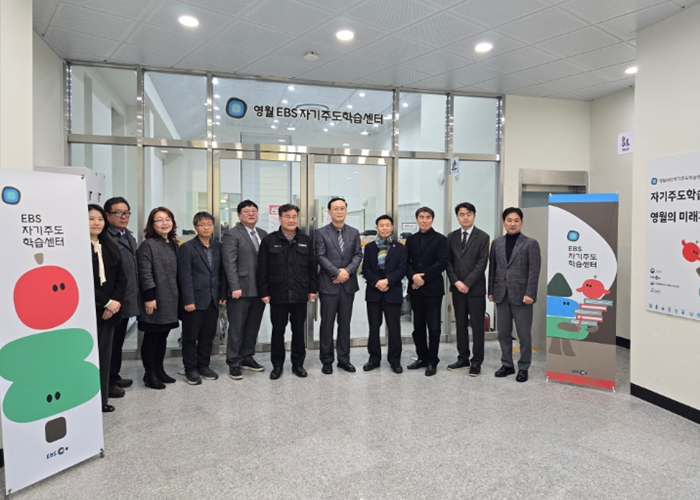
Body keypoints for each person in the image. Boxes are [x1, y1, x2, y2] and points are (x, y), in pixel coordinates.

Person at [258, 204, 318, 380]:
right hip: (278, 293)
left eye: (294, 217)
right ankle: (277, 366)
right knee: (278, 331)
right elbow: (262, 269)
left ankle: (298, 364)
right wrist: (264, 292)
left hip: (300, 293)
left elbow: (312, 267)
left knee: (298, 332)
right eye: (287, 216)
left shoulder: (306, 240)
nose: (291, 220)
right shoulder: (269, 240)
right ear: (280, 218)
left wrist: (313, 289)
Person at [488, 207, 541, 383]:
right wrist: (491, 290)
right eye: (509, 220)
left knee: (523, 335)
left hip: (522, 296)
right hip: (501, 294)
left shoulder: (530, 243)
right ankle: (507, 365)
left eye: (516, 220)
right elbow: (493, 268)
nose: (512, 224)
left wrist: (530, 293)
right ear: (503, 223)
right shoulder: (497, 243)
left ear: (521, 222)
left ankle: (524, 367)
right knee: (503, 333)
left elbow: (534, 271)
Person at [178, 212, 227, 385]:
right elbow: (185, 276)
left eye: (208, 224)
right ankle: (190, 369)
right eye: (201, 224)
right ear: (195, 227)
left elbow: (221, 272)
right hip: (194, 299)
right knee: (191, 336)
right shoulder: (187, 247)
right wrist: (188, 300)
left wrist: (222, 294)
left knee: (208, 335)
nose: (206, 227)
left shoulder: (218, 246)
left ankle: (203, 366)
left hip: (213, 298)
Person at [315, 197, 362, 375]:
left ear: (346, 211)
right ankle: (327, 360)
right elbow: (320, 255)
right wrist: (336, 272)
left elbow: (358, 255)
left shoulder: (354, 232)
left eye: (342, 208)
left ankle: (344, 359)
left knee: (345, 324)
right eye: (335, 208)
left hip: (347, 286)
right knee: (327, 324)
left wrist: (346, 272)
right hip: (328, 285)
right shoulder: (321, 233)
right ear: (329, 212)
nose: (339, 211)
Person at [222, 200, 267, 380]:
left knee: (253, 326)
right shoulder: (232, 234)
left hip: (259, 289)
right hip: (240, 289)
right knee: (237, 327)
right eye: (246, 211)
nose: (251, 214)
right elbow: (229, 263)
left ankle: (247, 357)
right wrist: (234, 286)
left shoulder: (262, 234)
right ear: (239, 215)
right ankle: (233, 362)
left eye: (254, 211)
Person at [88, 204, 126, 413]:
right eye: (91, 218)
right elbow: (82, 282)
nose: (97, 223)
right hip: (89, 311)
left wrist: (115, 303)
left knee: (104, 356)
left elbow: (122, 278)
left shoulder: (109, 246)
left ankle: (102, 399)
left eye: (100, 219)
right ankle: (87, 400)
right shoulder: (77, 249)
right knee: (88, 358)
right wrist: (106, 302)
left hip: (110, 311)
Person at [137, 207, 180, 389]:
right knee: (152, 336)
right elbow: (144, 272)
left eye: (168, 219)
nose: (164, 223)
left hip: (170, 297)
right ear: (152, 224)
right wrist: (149, 297)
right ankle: (150, 374)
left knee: (163, 335)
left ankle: (159, 369)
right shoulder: (148, 245)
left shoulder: (173, 244)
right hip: (154, 298)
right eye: (159, 220)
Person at [445, 202, 490, 377]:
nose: (465, 217)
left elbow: (481, 264)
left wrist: (467, 283)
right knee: (460, 325)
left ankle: (476, 361)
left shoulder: (483, 237)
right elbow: (448, 262)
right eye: (462, 214)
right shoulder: (451, 237)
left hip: (475, 289)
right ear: (457, 217)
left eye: (469, 214)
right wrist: (456, 282)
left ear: (474, 216)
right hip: (457, 289)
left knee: (477, 326)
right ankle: (463, 358)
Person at [405, 206, 449, 376]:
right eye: (421, 217)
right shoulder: (411, 240)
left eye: (428, 217)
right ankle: (421, 357)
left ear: (432, 219)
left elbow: (442, 262)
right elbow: (406, 263)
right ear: (417, 219)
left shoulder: (440, 240)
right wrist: (413, 276)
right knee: (418, 327)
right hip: (415, 290)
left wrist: (422, 278)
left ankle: (432, 360)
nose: (424, 220)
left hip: (433, 290)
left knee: (434, 327)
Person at [361, 215, 407, 374]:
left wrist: (387, 281)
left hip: (392, 292)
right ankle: (374, 358)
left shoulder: (400, 248)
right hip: (374, 292)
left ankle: (395, 360)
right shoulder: (369, 247)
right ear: (377, 228)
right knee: (374, 327)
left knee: (394, 328)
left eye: (388, 225)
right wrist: (377, 282)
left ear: (392, 227)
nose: (385, 228)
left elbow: (402, 269)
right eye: (381, 225)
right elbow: (366, 269)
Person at [104, 197, 138, 398]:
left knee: (118, 342)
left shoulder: (128, 235)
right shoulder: (106, 239)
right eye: (118, 213)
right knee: (109, 344)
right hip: (112, 301)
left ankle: (114, 376)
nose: (123, 216)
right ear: (107, 215)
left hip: (125, 298)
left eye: (126, 212)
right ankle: (107, 382)